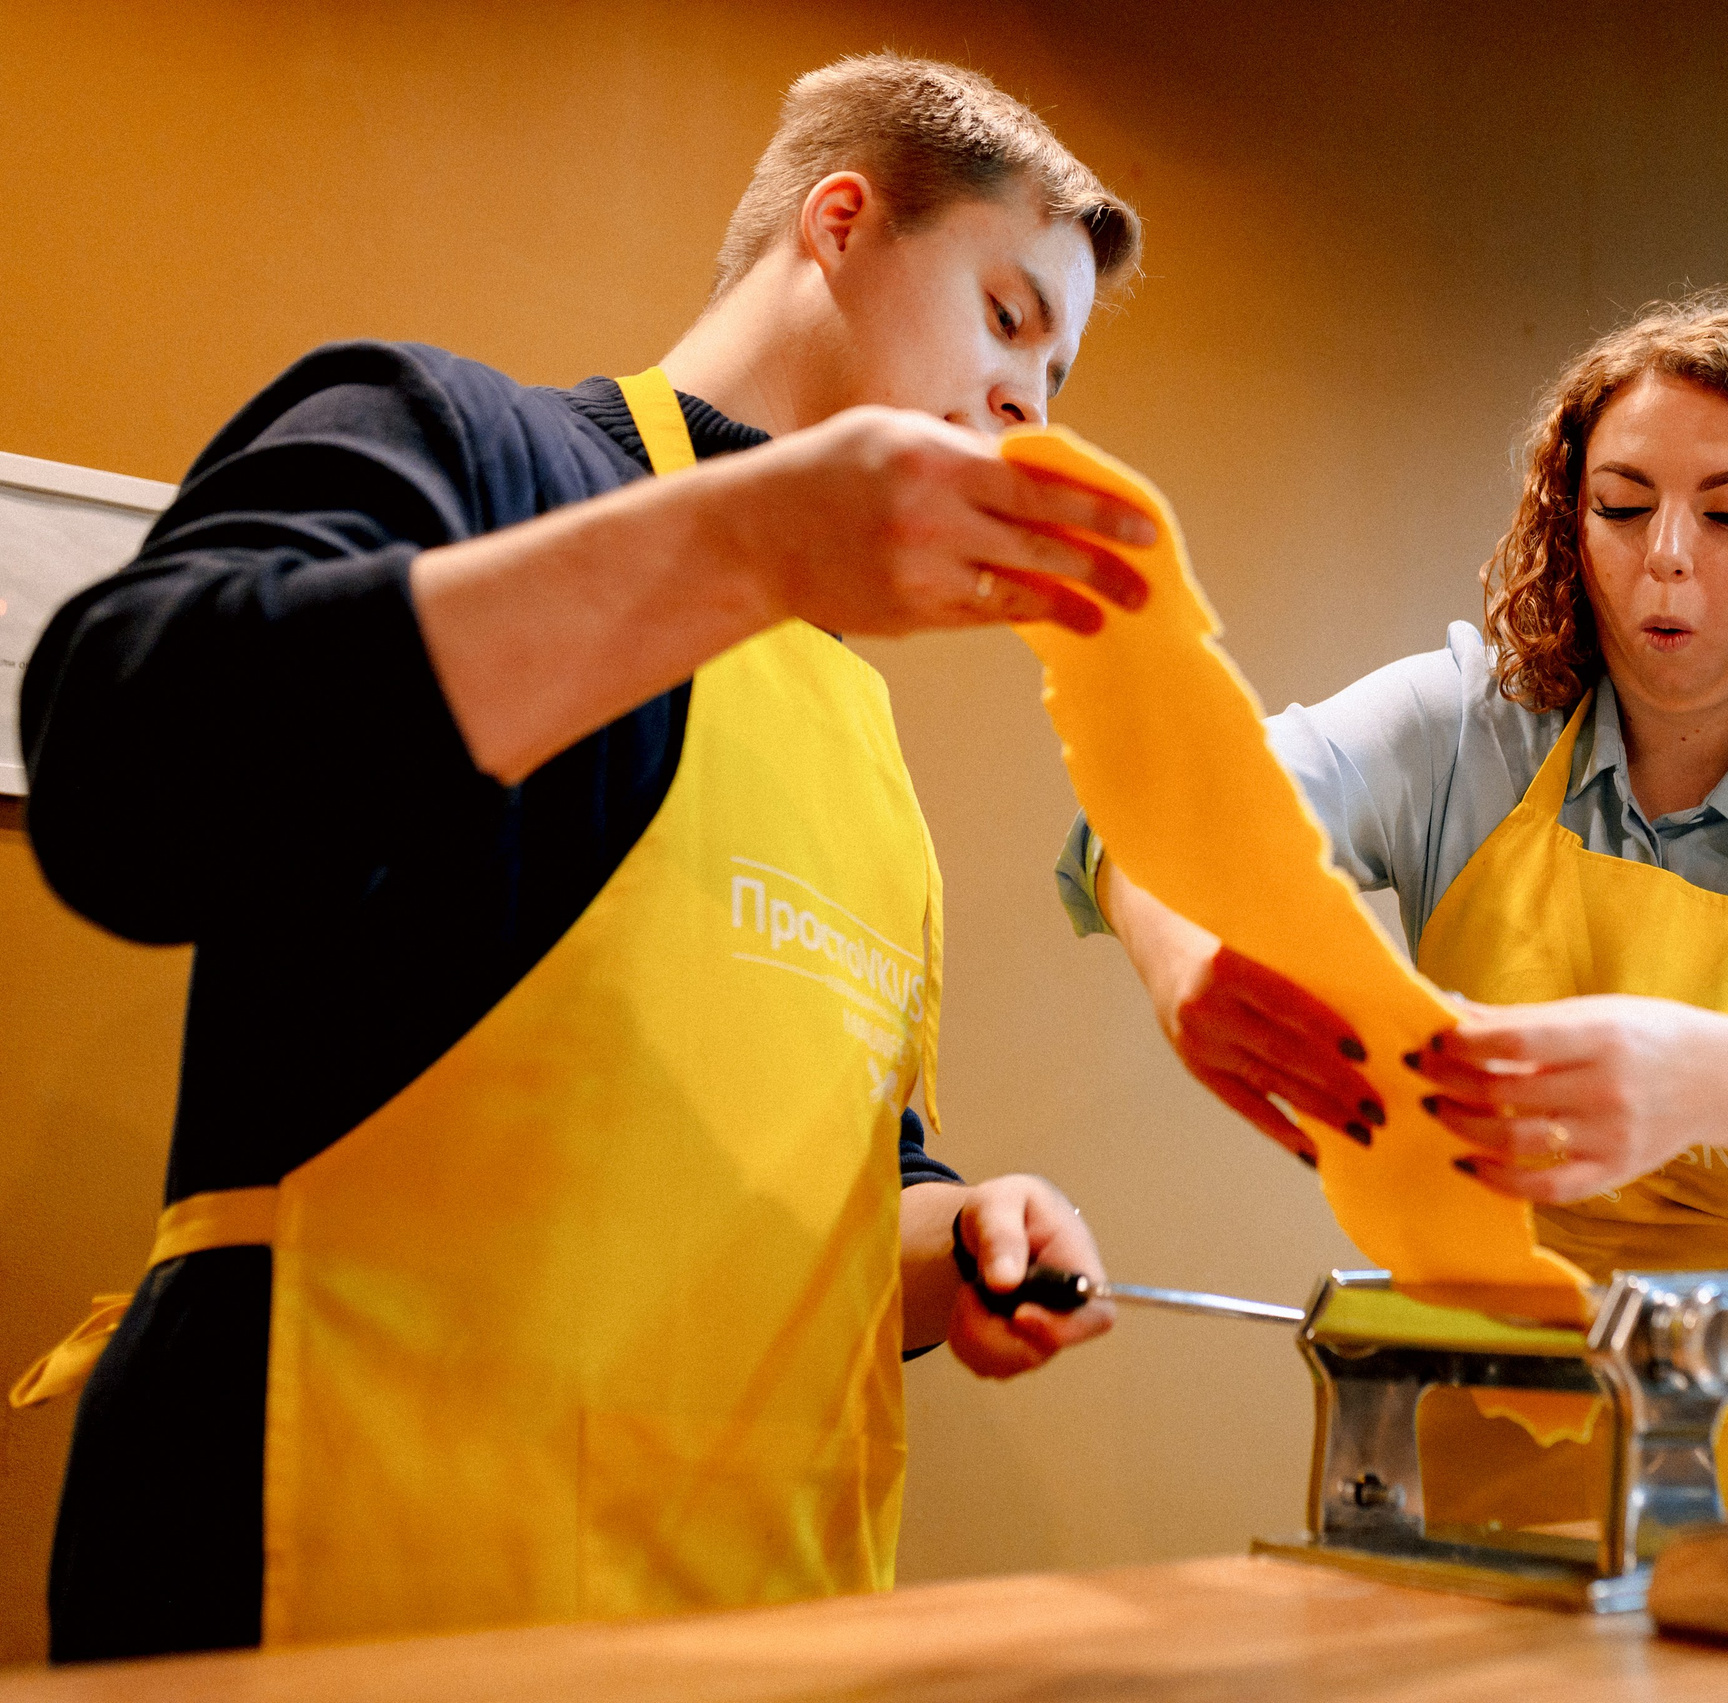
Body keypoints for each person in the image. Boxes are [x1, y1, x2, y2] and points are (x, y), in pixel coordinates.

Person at [17, 53, 1150, 1662]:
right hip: (347, 1591)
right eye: (1011, 315)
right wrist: (745, 535)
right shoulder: (462, 446)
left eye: (1063, 370)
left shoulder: (865, 742)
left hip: (750, 1631)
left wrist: (957, 1235)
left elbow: (848, 1164)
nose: (1034, 404)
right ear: (840, 225)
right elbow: (122, 766)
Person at [1063, 293, 1728, 1517]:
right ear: (1571, 526)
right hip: (1502, 1438)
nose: (1665, 552)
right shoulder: (1467, 734)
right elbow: (1157, 799)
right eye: (1621, 507)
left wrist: (1698, 1077)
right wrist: (1180, 959)